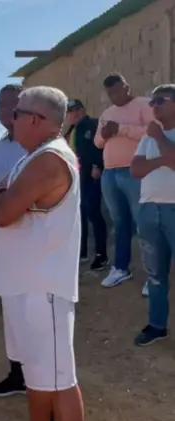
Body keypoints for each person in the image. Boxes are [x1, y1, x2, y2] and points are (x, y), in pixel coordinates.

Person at [0, 86, 91, 421]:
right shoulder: (33, 155)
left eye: (18, 113)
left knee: (61, 382)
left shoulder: (48, 159)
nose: (11, 118)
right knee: (35, 372)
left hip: (44, 288)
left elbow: (1, 210)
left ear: (38, 120)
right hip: (24, 283)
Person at [0, 84, 30, 400]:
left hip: (33, 246)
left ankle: (46, 390)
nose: (3, 110)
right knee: (11, 314)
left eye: (9, 103)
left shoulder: (40, 150)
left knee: (34, 317)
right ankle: (17, 374)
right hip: (3, 242)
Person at [94, 73, 154, 289]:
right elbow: (98, 142)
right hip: (110, 173)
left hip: (135, 172)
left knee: (143, 223)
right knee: (120, 224)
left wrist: (121, 129)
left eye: (118, 91)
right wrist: (105, 133)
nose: (115, 96)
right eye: (110, 93)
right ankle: (120, 268)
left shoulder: (143, 105)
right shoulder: (107, 113)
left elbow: (153, 132)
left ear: (127, 87)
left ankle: (153, 275)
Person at [131, 84, 175, 346]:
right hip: (148, 210)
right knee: (155, 274)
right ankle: (157, 326)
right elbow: (135, 169)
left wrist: (160, 138)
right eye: (152, 101)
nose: (154, 105)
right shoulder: (147, 137)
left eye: (161, 100)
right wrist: (163, 159)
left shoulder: (153, 135)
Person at [65, 99, 108, 270]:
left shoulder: (93, 124)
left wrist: (98, 166)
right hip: (75, 180)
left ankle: (101, 255)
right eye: (70, 111)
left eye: (77, 109)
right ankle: (81, 252)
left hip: (91, 177)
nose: (74, 113)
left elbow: (101, 147)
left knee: (94, 215)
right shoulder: (70, 131)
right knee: (78, 216)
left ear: (83, 110)